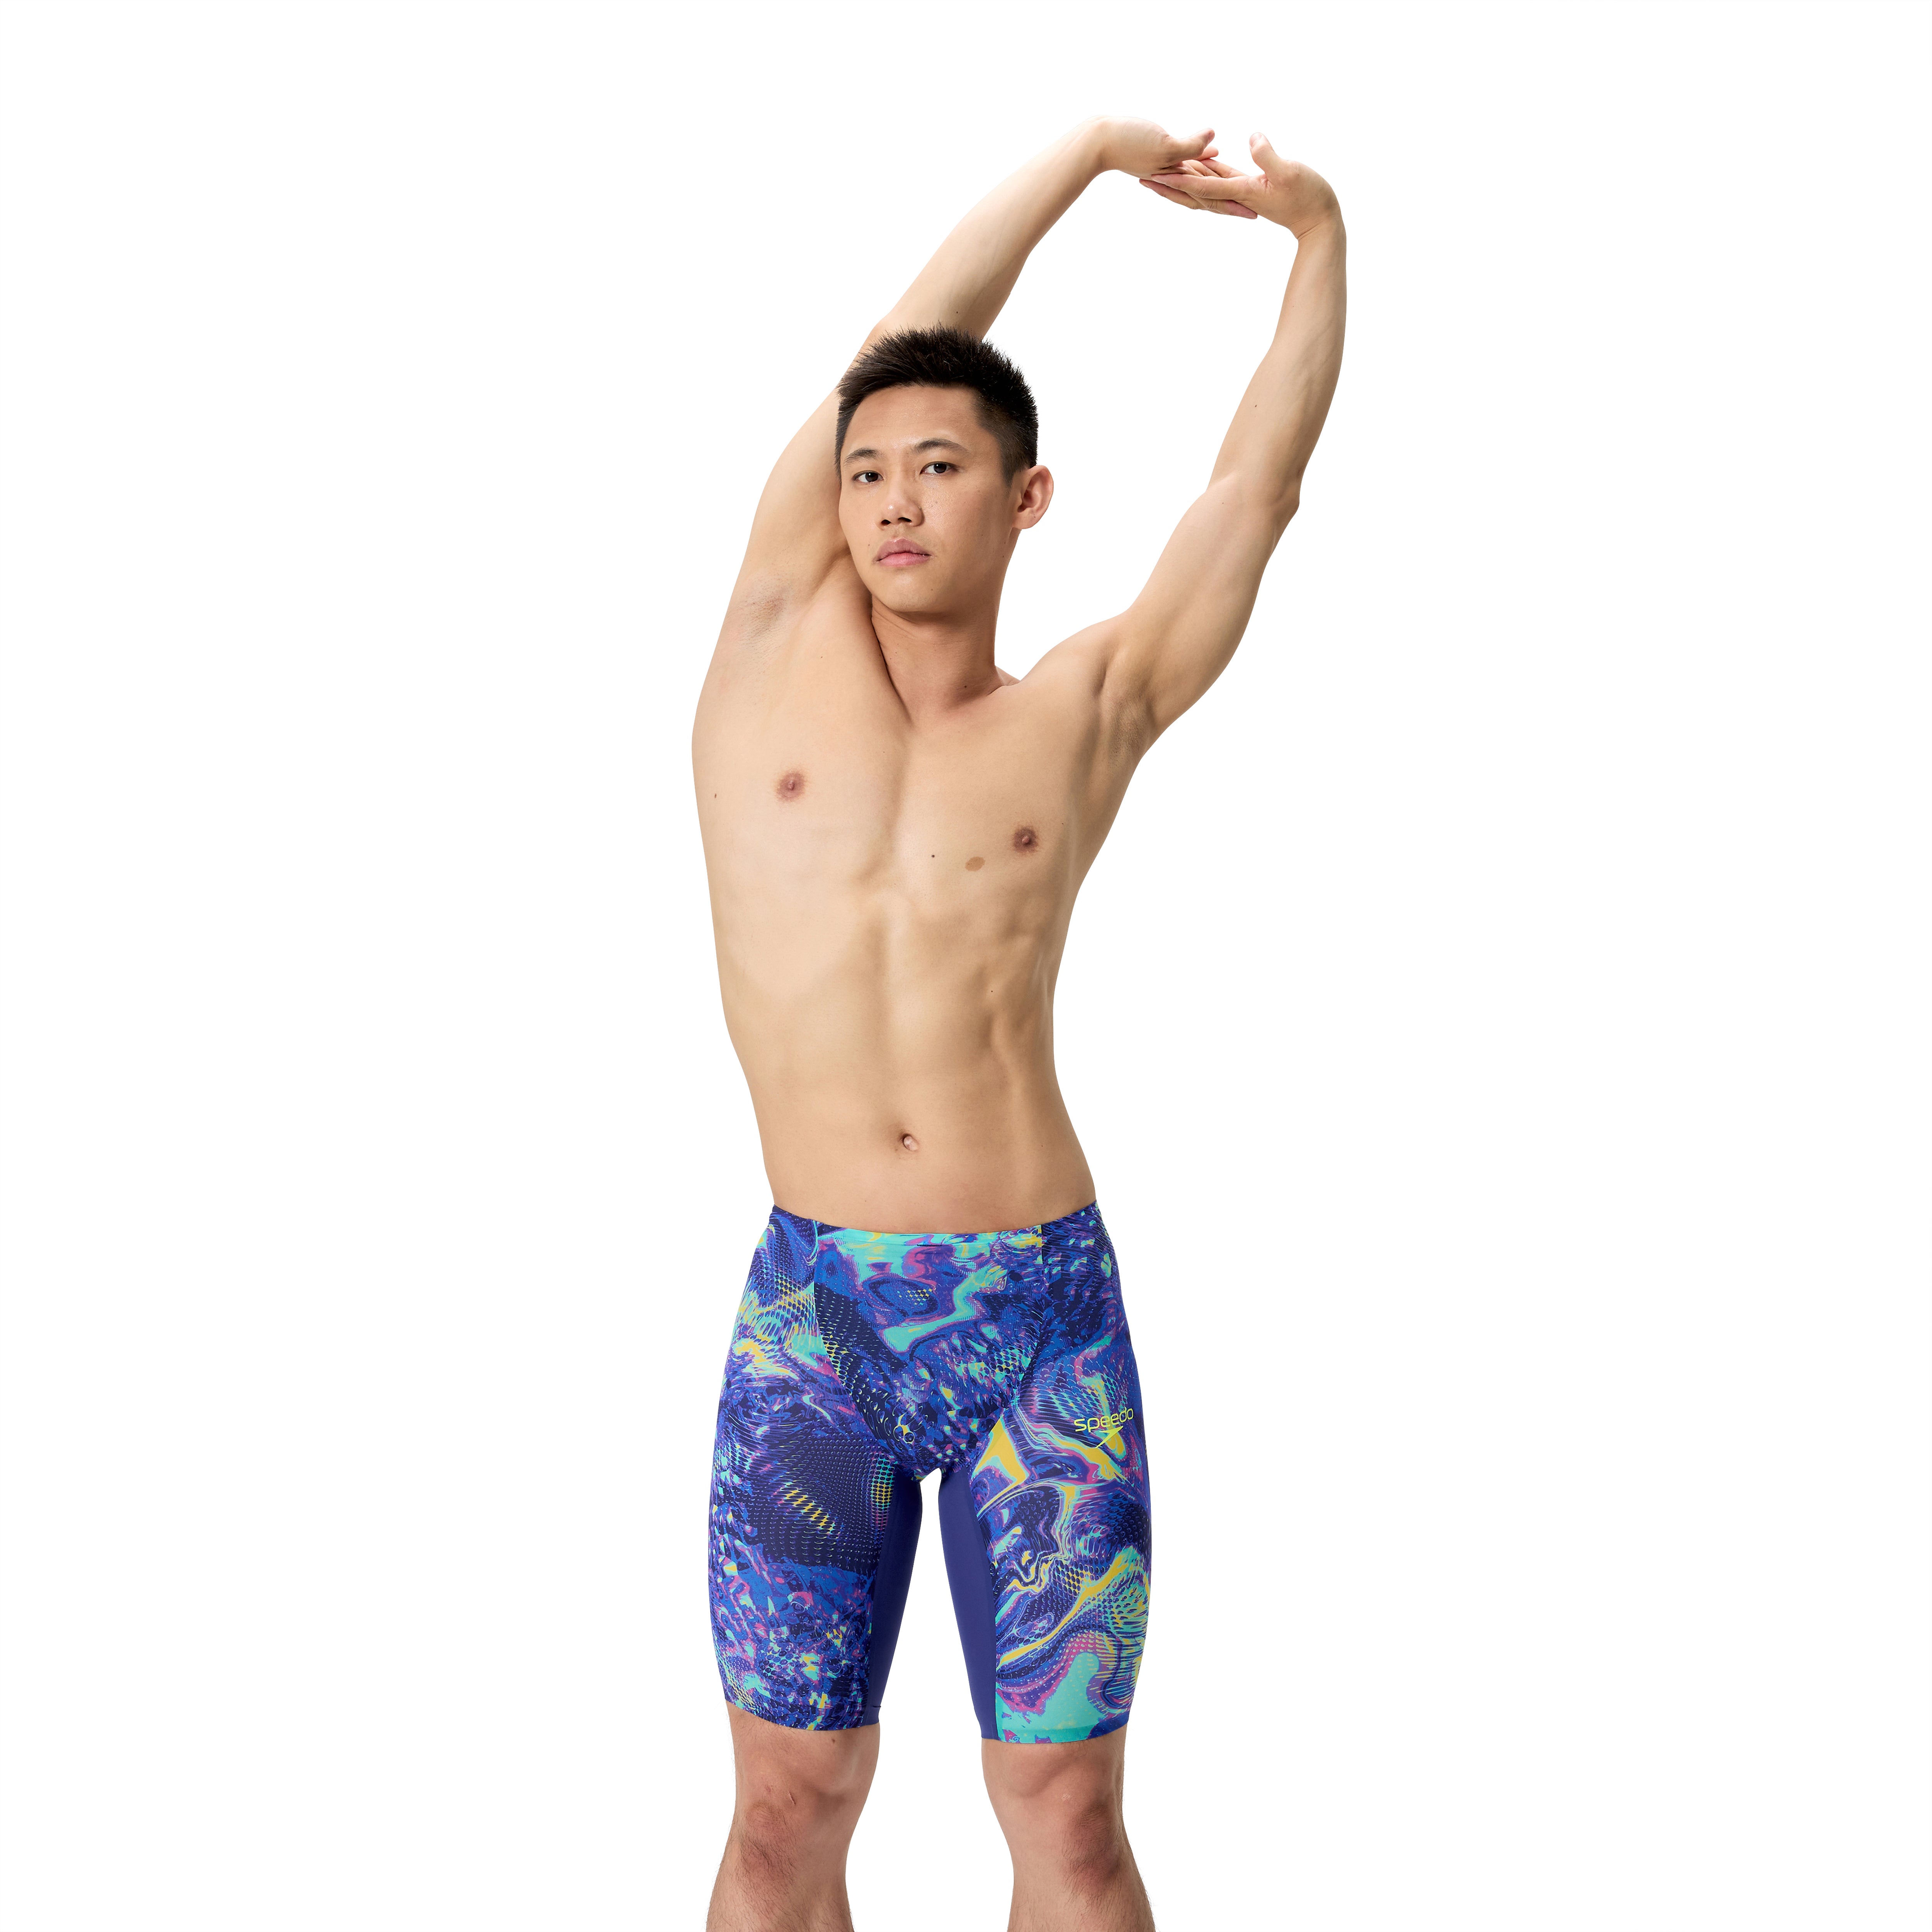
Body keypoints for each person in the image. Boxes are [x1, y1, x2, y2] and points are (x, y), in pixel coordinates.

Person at [694, 115, 1345, 1932]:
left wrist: (1315, 238)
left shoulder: (1081, 712)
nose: (893, 500)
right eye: (867, 471)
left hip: (1036, 1320)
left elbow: (1251, 495)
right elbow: (891, 353)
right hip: (816, 1322)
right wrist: (1078, 165)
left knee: (1067, 1821)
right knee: (782, 1810)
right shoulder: (767, 648)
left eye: (940, 467)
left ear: (1025, 497)